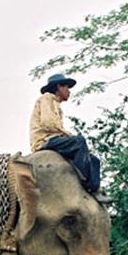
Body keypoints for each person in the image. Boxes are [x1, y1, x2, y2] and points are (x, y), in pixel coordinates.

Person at [29, 73, 111, 203]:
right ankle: (81, 181)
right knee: (79, 141)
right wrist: (68, 134)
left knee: (93, 159)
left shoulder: (57, 106)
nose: (69, 91)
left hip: (55, 139)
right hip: (45, 140)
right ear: (58, 87)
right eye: (66, 87)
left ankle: (94, 189)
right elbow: (48, 123)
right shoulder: (46, 98)